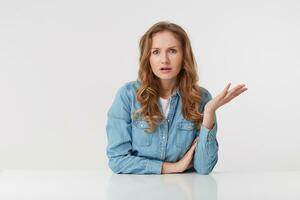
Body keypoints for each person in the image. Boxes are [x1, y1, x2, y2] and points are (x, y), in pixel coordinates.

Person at [106, 21, 247, 175]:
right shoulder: (127, 96)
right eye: (156, 52)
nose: (164, 59)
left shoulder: (202, 98)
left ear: (184, 56)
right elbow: (117, 160)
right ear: (148, 58)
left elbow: (203, 167)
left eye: (172, 51)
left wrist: (209, 113)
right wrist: (173, 167)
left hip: (183, 190)